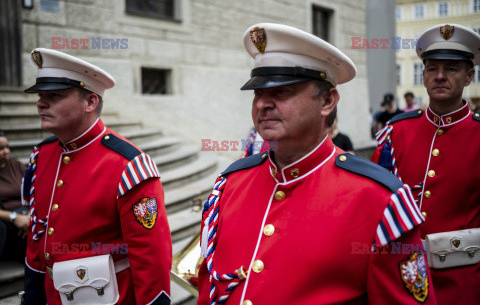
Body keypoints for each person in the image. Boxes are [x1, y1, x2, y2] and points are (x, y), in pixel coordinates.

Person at [197, 23, 436, 305]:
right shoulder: (230, 184)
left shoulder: (379, 200)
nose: (262, 104)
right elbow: (209, 288)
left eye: (282, 92)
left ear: (328, 101)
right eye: (258, 93)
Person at [22, 48, 172, 304]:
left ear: (90, 102)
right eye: (40, 96)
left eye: (54, 96)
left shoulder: (129, 166)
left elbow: (150, 256)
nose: (40, 103)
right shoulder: (42, 155)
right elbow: (38, 235)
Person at [371, 23, 480, 304]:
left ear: (470, 76)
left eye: (451, 69)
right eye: (431, 68)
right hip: (401, 279)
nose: (439, 76)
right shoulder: (396, 132)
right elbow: (372, 205)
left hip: (465, 283)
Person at [0, 131, 29, 262]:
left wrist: (29, 218)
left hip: (26, 217)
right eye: (1, 148)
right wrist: (14, 218)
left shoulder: (16, 165)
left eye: (7, 147)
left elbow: (35, 190)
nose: (6, 151)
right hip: (6, 222)